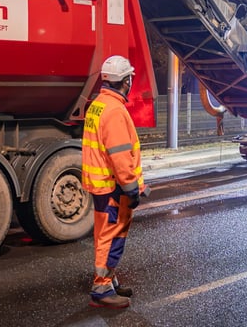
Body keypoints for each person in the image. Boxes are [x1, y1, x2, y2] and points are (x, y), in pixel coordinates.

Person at [81, 55, 147, 309]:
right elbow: (119, 154)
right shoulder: (115, 111)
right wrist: (131, 187)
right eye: (130, 77)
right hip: (114, 186)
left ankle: (110, 280)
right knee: (112, 236)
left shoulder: (98, 103)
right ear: (126, 81)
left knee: (104, 234)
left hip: (101, 183)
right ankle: (101, 288)